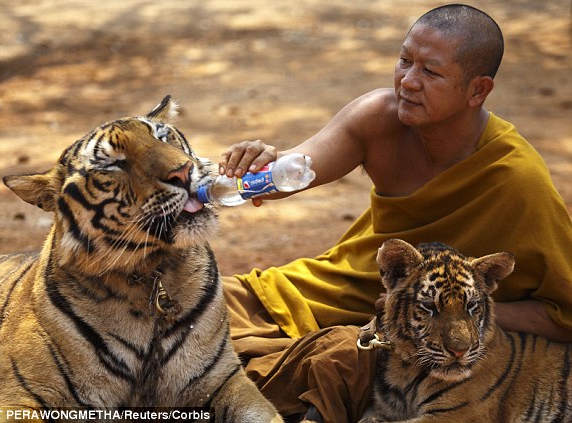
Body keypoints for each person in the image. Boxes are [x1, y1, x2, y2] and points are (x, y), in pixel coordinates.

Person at [218, 4, 572, 423]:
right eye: (405, 61)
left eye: (430, 72)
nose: (407, 81)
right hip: (307, 294)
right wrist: (262, 163)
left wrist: (447, 310)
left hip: (392, 339)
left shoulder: (517, 179)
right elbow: (294, 170)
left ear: (478, 90)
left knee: (327, 367)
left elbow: (563, 318)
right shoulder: (379, 118)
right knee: (178, 305)